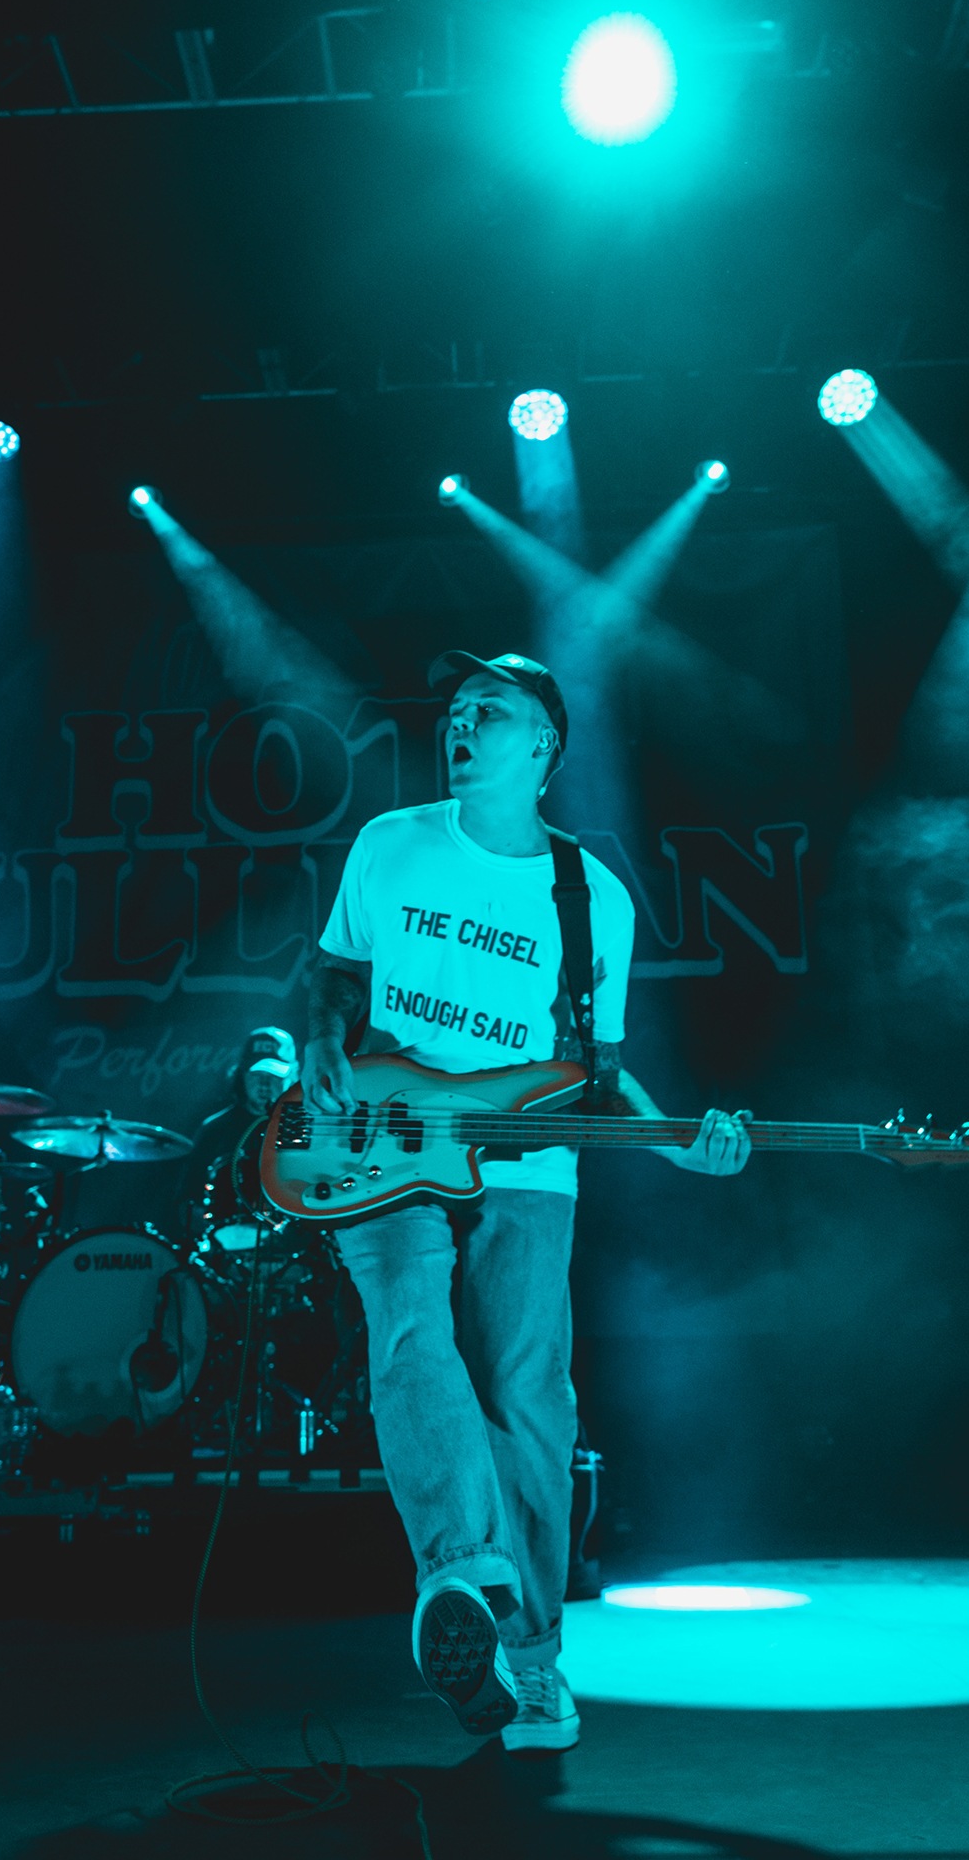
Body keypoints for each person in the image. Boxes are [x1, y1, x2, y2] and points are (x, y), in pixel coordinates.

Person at [301, 651, 750, 1753]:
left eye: (488, 710)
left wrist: (679, 1145)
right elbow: (335, 973)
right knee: (410, 1326)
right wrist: (320, 1042)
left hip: (528, 1162)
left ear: (542, 742)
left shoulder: (589, 896)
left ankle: (534, 1661)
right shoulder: (390, 842)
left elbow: (599, 1070)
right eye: (455, 708)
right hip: (383, 1145)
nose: (460, 722)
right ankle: (463, 1574)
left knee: (525, 1391)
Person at [180, 1026, 299, 1248]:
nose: (264, 1084)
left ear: (293, 1075)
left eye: (273, 1075)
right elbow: (189, 1198)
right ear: (242, 1075)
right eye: (257, 1074)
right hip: (227, 1245)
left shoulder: (308, 1126)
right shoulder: (214, 1129)